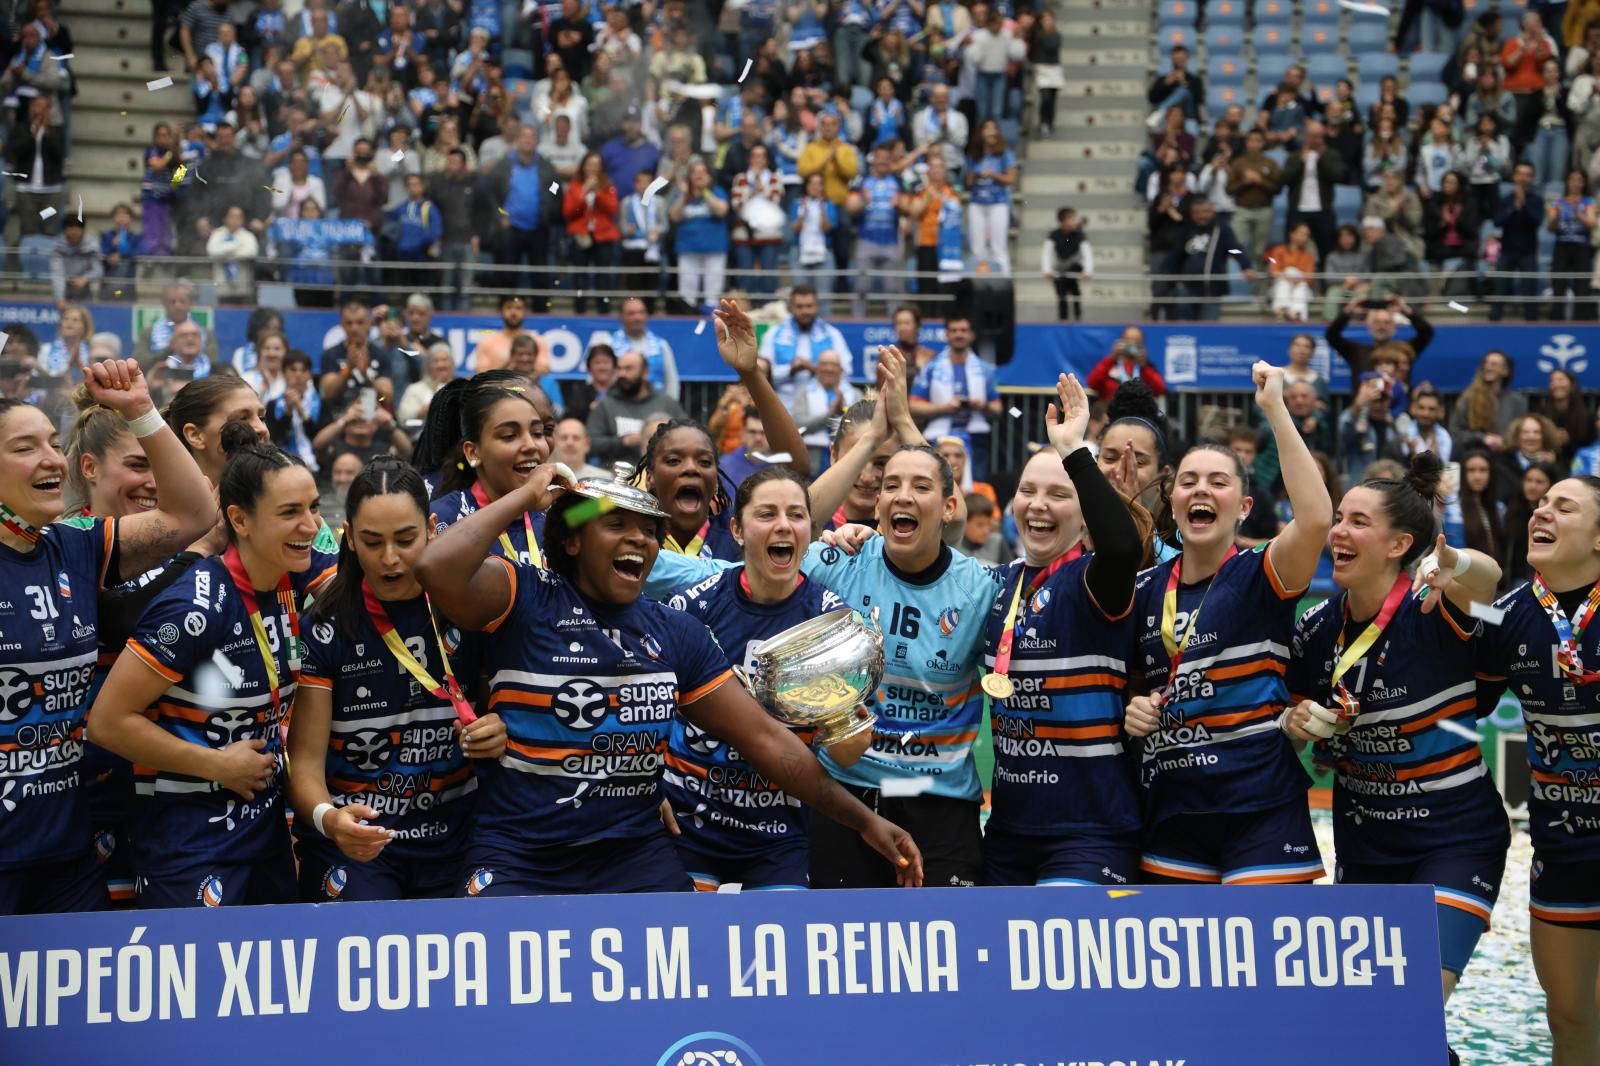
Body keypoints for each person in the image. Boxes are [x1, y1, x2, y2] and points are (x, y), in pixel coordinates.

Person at [410, 463, 923, 895]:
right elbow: (436, 566)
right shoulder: (525, 595)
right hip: (520, 856)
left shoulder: (676, 633)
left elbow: (770, 743)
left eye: (648, 531)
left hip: (633, 855)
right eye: (616, 525)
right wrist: (525, 496)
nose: (639, 539)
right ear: (570, 539)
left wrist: (865, 821)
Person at [1284, 454, 1510, 1008]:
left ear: (1398, 544)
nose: (1338, 531)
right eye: (1339, 518)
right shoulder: (1315, 626)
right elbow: (1283, 719)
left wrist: (1452, 562)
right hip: (1366, 842)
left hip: (1456, 838)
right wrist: (1294, 723)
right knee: (1368, 1019)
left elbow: (1491, 581)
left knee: (1411, 1009)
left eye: (1359, 522)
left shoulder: (1432, 603)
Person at [0, 362, 216, 917]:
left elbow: (194, 512)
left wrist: (141, 410)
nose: (52, 459)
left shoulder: (75, 545)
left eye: (52, 443)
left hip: (66, 853)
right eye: (25, 448)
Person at [87, 435, 338, 908]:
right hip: (188, 840)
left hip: (262, 834)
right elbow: (107, 722)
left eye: (314, 507)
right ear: (239, 520)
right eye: (290, 513)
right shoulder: (194, 607)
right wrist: (217, 765)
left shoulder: (293, 572)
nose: (311, 525)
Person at [1123, 362, 1334, 886]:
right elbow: (1134, 686)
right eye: (1189, 481)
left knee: (1264, 966)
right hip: (1173, 807)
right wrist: (1135, 709)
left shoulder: (1262, 571)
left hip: (1258, 802)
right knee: (1181, 969)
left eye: (1219, 483)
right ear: (1172, 500)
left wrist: (1275, 410)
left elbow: (1314, 519)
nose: (1202, 491)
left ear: (1242, 507)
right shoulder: (1145, 588)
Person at [799, 380, 1004, 888]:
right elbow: (782, 532)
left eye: (920, 487)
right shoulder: (841, 560)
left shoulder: (980, 588)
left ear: (949, 507)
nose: (901, 496)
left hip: (941, 806)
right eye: (890, 484)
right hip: (845, 796)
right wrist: (868, 442)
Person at [288, 458, 507, 901]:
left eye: (406, 539)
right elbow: (305, 766)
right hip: (362, 841)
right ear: (349, 537)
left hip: (460, 835)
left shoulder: (467, 606)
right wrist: (330, 819)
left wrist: (500, 729)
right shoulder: (323, 627)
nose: (390, 559)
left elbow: (506, 707)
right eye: (372, 542)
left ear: (431, 528)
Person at [656, 466, 870, 890]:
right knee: (695, 941)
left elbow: (847, 756)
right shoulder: (692, 607)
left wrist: (850, 734)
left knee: (781, 943)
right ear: (736, 530)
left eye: (796, 515)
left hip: (778, 830)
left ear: (811, 531)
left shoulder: (834, 623)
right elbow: (650, 705)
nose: (783, 525)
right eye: (767, 514)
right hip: (689, 823)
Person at [980, 375, 1145, 885]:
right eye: (1028, 491)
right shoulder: (995, 584)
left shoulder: (1094, 579)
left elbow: (1122, 548)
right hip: (1008, 828)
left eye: (1060, 494)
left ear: (1085, 512)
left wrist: (1075, 449)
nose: (1039, 505)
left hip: (1089, 832)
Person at [1475, 474, 1600, 1063]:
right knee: (1569, 1014)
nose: (1541, 513)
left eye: (1564, 507)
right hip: (1564, 847)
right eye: (1540, 504)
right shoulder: (1505, 614)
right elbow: (1450, 644)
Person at [416, 372, 556, 569]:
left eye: (542, 432)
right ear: (473, 450)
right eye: (509, 435)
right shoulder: (440, 515)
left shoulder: (557, 510)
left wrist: (600, 501)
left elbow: (590, 517)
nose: (531, 445)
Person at [909, 314, 1002, 479]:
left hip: (976, 438)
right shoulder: (931, 368)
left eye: (963, 330)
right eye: (954, 330)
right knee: (937, 484)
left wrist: (982, 406)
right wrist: (944, 408)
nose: (959, 334)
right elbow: (913, 406)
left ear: (972, 334)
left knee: (977, 489)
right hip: (938, 437)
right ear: (946, 334)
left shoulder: (986, 370)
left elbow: (1001, 410)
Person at [587, 349, 689, 466]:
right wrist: (622, 442)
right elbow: (590, 443)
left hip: (660, 476)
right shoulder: (605, 405)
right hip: (616, 478)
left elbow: (686, 437)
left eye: (628, 369)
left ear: (645, 372)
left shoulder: (667, 404)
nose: (622, 374)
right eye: (619, 369)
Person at [760, 285, 855, 400]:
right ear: (791, 307)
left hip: (822, 406)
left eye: (809, 306)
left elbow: (846, 371)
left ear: (817, 306)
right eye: (799, 307)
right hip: (782, 403)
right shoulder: (773, 335)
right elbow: (761, 373)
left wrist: (816, 369)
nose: (805, 311)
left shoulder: (832, 334)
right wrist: (790, 370)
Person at [1325, 293, 1434, 380]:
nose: (1381, 326)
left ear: (1395, 327)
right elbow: (1332, 335)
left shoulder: (1404, 350)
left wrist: (1405, 310)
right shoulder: (1356, 351)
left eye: (1387, 322)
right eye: (1377, 322)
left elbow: (1427, 333)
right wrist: (1348, 311)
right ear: (1369, 326)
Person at [1450, 350, 1529, 450]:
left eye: (1494, 364)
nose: (1488, 367)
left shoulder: (1517, 401)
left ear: (1506, 371)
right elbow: (1455, 431)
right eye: (1486, 363)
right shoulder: (1469, 397)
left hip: (1508, 454)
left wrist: (1506, 441)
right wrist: (1482, 438)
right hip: (1476, 453)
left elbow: (1523, 432)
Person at [609, 297, 680, 400]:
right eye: (631, 313)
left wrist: (670, 410)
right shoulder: (610, 345)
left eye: (641, 312)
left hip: (656, 408)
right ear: (621, 317)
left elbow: (672, 382)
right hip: (620, 406)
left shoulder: (661, 345)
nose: (637, 317)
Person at [1041, 207, 1093, 321]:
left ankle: (1078, 318)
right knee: (1062, 295)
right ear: (1062, 222)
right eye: (1071, 219)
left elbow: (1087, 253)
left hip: (1075, 267)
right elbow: (1046, 253)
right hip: (1059, 269)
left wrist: (1087, 271)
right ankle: (1063, 319)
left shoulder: (1079, 234)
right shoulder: (1054, 235)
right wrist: (1047, 270)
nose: (1075, 221)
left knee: (1075, 293)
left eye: (1075, 219)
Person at [1087, 326, 1165, 398]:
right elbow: (1092, 383)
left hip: (1139, 409)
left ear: (1142, 345)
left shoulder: (1146, 367)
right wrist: (1112, 357)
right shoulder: (1109, 364)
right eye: (1128, 340)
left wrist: (1144, 366)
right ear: (1120, 341)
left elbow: (1159, 390)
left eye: (1136, 341)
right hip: (1110, 408)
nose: (1131, 344)